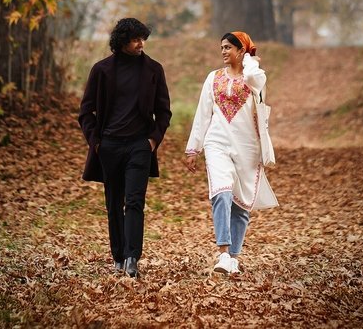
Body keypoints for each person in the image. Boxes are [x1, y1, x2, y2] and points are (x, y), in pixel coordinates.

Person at [78, 17, 172, 278]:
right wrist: (96, 142)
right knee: (113, 203)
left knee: (134, 202)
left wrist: (152, 140)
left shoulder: (154, 69)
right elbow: (86, 111)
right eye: (135, 39)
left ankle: (132, 258)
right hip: (109, 146)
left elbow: (164, 111)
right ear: (121, 42)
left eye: (143, 39)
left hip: (139, 146)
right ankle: (118, 256)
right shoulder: (101, 70)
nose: (141, 44)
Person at [185, 31, 278, 275]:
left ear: (241, 50)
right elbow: (203, 113)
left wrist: (249, 60)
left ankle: (234, 258)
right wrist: (194, 148)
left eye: (228, 47)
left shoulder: (255, 77)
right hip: (216, 142)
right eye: (222, 47)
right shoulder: (213, 77)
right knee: (222, 191)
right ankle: (223, 254)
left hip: (247, 145)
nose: (224, 51)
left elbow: (254, 77)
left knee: (241, 203)